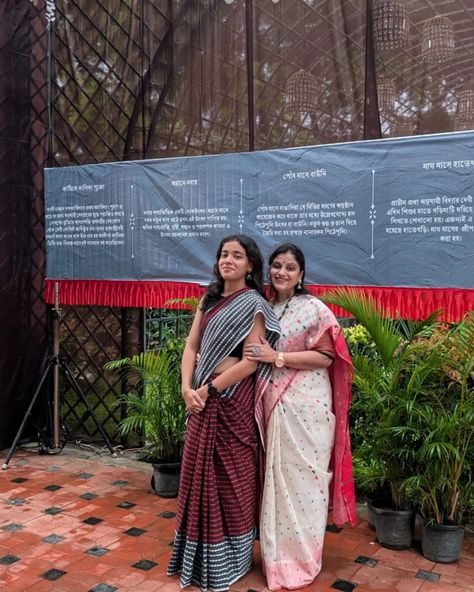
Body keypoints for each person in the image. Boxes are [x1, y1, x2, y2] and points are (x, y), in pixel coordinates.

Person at [168, 235, 280, 592]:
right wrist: (186, 388)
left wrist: (209, 389)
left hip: (231, 403)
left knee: (232, 481)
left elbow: (250, 361)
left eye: (237, 255)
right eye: (223, 254)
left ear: (250, 266)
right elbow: (191, 346)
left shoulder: (254, 304)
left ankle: (231, 557)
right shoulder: (209, 298)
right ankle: (195, 555)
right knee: (195, 475)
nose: (228, 260)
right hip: (199, 399)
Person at [244, 243, 357, 590]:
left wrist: (276, 358)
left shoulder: (314, 308)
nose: (281, 272)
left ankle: (304, 557)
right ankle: (277, 558)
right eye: (276, 265)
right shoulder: (264, 308)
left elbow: (325, 356)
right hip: (275, 402)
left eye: (289, 267)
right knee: (277, 482)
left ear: (301, 274)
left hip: (308, 407)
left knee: (306, 484)